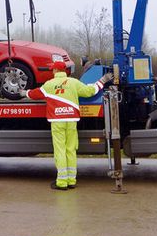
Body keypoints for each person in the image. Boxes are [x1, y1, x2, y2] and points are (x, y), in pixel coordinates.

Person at [18, 61, 111, 190]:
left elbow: (35, 94)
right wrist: (102, 80)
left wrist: (24, 93)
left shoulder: (49, 84)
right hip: (71, 119)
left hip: (57, 121)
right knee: (71, 150)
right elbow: (90, 91)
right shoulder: (73, 82)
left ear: (55, 71)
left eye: (52, 70)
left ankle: (61, 182)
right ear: (65, 71)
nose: (52, 71)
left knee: (60, 150)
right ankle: (71, 180)